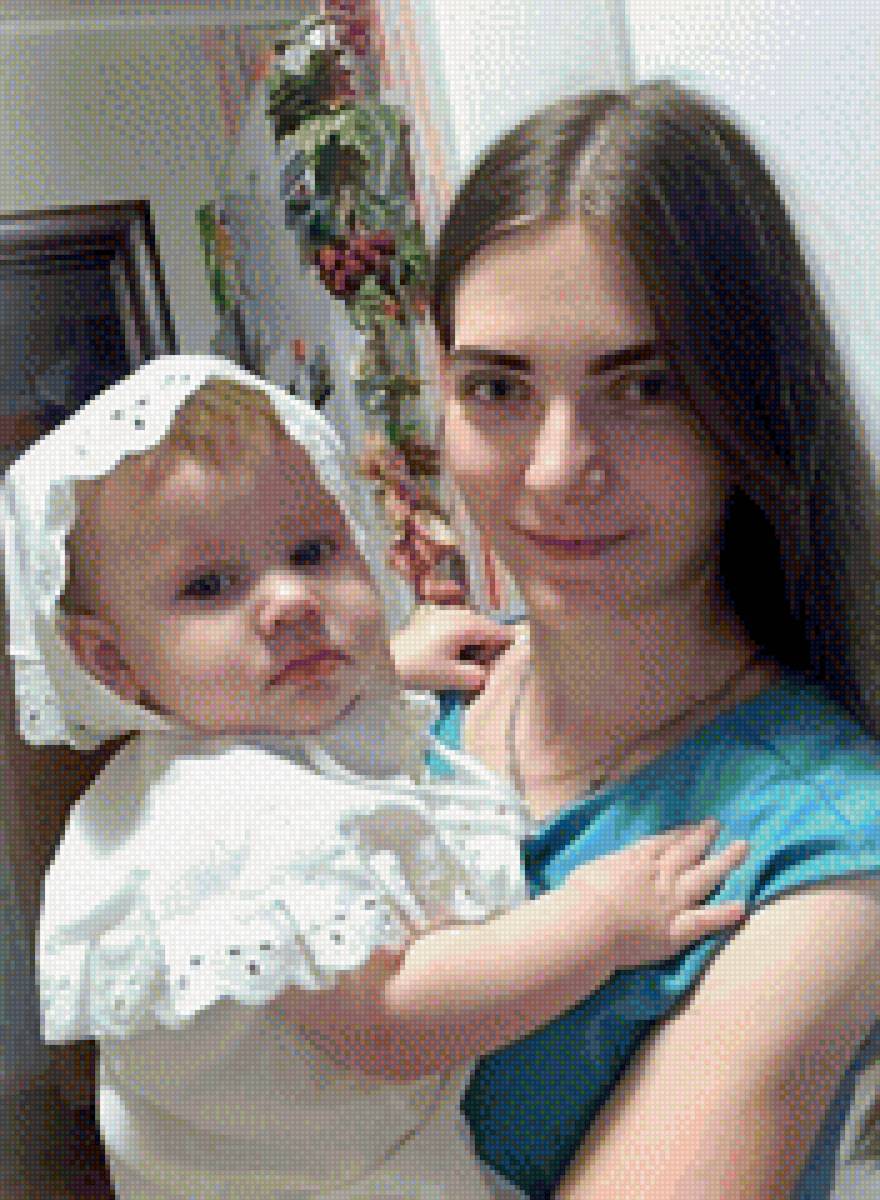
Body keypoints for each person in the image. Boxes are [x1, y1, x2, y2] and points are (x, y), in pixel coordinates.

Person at [2, 355, 748, 1199]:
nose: (290, 601)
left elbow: (298, 732)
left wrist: (384, 664)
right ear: (111, 662)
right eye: (209, 586)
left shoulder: (213, 742)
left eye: (313, 551)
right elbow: (394, 1020)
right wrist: (600, 924)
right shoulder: (227, 819)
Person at [376, 81, 880, 1199]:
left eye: (646, 386)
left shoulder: (823, 856)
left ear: (752, 403)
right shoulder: (414, 704)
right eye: (497, 386)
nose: (558, 469)